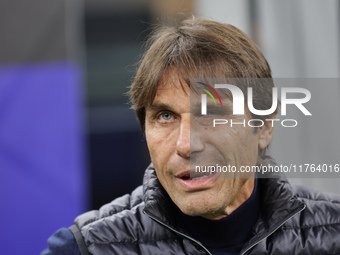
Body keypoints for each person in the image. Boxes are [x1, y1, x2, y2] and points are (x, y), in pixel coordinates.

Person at [41, 17, 340, 255]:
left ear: (264, 127)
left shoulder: (333, 231)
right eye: (166, 116)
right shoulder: (84, 248)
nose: (186, 145)